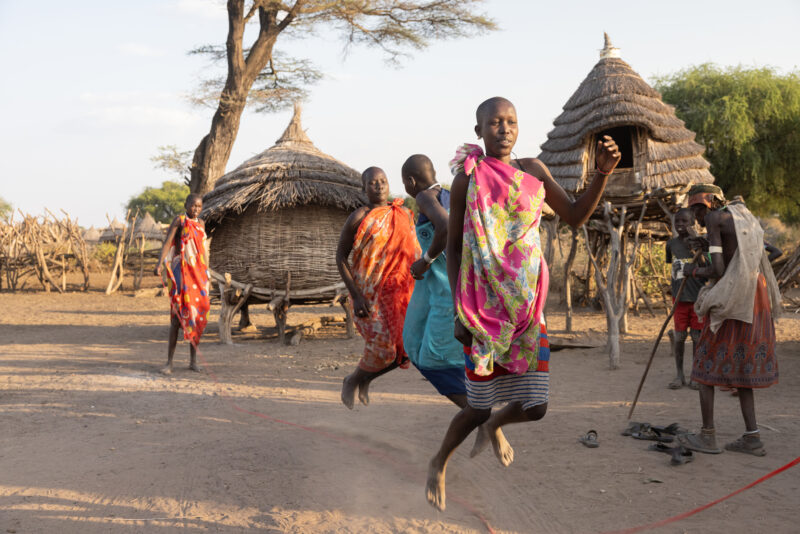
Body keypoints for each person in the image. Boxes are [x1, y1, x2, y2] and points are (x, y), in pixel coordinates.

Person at [426, 97, 621, 511]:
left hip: (527, 309)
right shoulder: (468, 178)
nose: (504, 128)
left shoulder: (533, 171)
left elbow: (574, 215)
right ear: (478, 130)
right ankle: (440, 460)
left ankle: (498, 423)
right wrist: (460, 309)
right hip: (482, 311)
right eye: (494, 122)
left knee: (536, 407)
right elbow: (457, 244)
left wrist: (602, 174)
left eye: (511, 121)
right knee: (477, 407)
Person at [401, 154, 506, 455]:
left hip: (448, 291)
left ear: (409, 181)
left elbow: (445, 226)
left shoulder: (424, 196)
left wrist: (425, 259)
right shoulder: (450, 195)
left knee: (434, 361)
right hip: (441, 287)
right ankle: (482, 414)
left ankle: (484, 419)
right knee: (416, 347)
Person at [677, 184, 781, 456]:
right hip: (755, 295)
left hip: (735, 295)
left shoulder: (714, 217)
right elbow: (734, 251)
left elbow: (719, 269)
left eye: (697, 209)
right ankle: (752, 437)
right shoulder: (741, 214)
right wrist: (705, 244)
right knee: (744, 368)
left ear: (709, 203)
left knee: (702, 367)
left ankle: (707, 436)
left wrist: (693, 270)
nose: (697, 217)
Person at [338, 167, 420, 409]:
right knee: (382, 348)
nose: (379, 186)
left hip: (400, 295)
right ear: (364, 188)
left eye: (383, 181)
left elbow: (414, 253)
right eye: (372, 183)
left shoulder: (404, 213)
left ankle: (365, 379)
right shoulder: (359, 217)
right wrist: (356, 295)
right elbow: (340, 257)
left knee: (404, 351)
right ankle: (352, 380)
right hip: (368, 296)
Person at [154, 193, 210, 375]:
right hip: (182, 275)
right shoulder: (179, 221)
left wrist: (207, 273)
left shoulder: (201, 224)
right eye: (193, 206)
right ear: (186, 204)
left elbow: (204, 251)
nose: (196, 209)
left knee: (196, 316)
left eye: (199, 207)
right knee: (177, 318)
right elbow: (168, 242)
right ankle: (169, 362)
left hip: (199, 275)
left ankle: (193, 361)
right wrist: (159, 264)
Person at [665, 208, 705, 390]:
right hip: (679, 298)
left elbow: (707, 265)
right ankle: (679, 375)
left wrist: (696, 248)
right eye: (677, 222)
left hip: (697, 298)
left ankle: (695, 375)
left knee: (697, 338)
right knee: (680, 338)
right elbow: (671, 267)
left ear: (692, 223)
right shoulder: (671, 244)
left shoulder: (701, 244)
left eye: (684, 222)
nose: (680, 225)